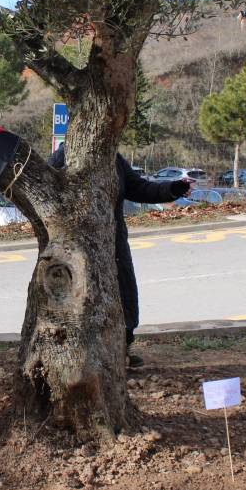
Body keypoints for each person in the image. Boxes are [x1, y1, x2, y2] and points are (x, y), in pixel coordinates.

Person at [50, 144, 191, 368]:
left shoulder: (113, 157)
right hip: (76, 246)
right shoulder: (63, 157)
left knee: (124, 293)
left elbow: (140, 188)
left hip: (114, 243)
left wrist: (172, 189)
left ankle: (124, 346)